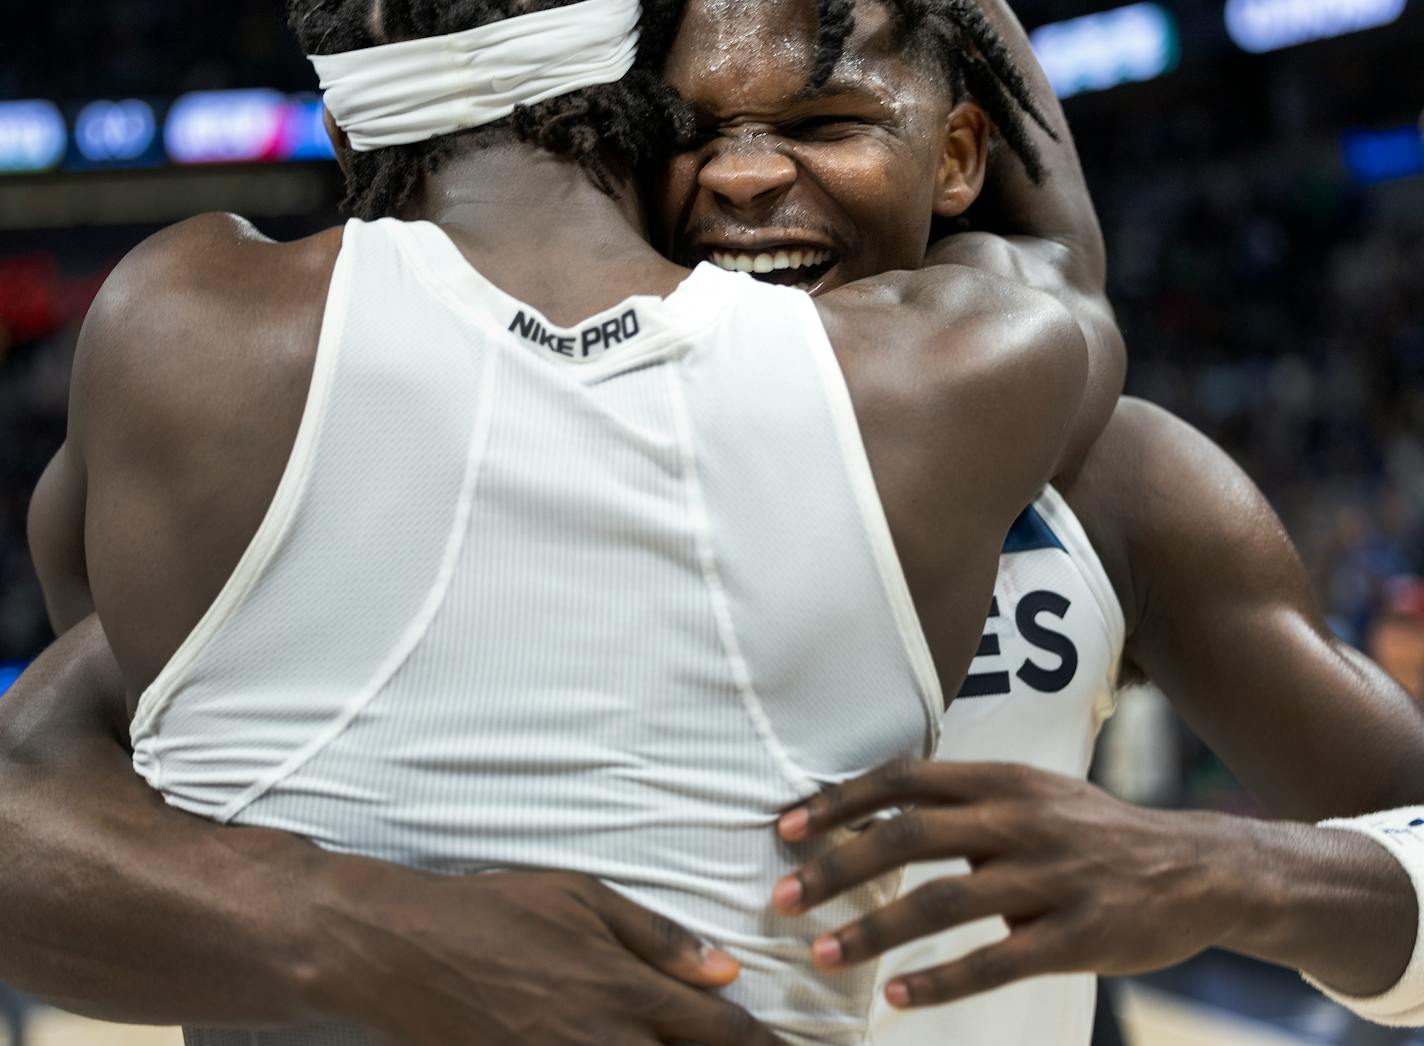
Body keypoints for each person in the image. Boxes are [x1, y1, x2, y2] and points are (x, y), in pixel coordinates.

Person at [3, 0, 1420, 1044]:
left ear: (960, 156)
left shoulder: (1107, 478)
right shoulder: (431, 455)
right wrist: (341, 924)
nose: (744, 177)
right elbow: (43, 796)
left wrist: (1226, 869)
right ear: (614, 144)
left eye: (824, 126)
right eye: (691, 133)